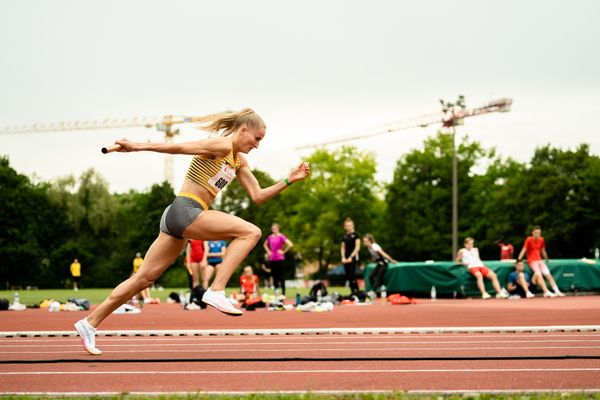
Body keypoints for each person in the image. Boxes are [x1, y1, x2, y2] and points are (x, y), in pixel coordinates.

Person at [75, 108, 311, 355]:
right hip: (186, 209)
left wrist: (289, 180)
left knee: (142, 280)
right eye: (257, 138)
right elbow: (179, 148)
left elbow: (258, 196)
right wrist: (136, 146)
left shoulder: (238, 160)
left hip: (178, 217)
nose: (257, 145)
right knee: (250, 232)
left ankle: (89, 323)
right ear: (243, 130)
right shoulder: (221, 145)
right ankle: (216, 290)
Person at [516, 226, 564, 297]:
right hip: (532, 261)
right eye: (535, 233)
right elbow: (524, 250)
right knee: (538, 274)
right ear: (532, 233)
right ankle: (546, 291)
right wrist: (518, 260)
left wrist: (547, 259)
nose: (537, 234)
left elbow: (543, 250)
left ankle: (557, 291)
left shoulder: (541, 239)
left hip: (540, 261)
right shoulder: (528, 239)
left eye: (538, 233)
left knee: (548, 275)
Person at [263, 223, 293, 296]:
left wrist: (283, 252)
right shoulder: (270, 237)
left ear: (278, 229)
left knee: (281, 276)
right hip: (272, 259)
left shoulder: (281, 236)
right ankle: (276, 293)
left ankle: (283, 293)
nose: (274, 230)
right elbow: (265, 244)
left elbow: (290, 244)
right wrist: (268, 252)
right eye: (272, 229)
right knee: (274, 276)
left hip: (279, 259)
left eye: (275, 228)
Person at [364, 234, 397, 299]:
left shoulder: (374, 246)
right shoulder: (369, 248)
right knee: (371, 277)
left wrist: (391, 260)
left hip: (384, 263)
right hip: (379, 263)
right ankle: (375, 291)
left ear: (369, 241)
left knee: (379, 277)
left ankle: (373, 291)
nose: (364, 243)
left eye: (366, 241)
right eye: (364, 241)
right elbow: (375, 257)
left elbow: (383, 253)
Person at [340, 217, 360, 293]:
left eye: (350, 225)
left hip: (353, 258)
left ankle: (357, 292)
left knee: (352, 275)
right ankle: (353, 292)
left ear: (353, 225)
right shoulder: (344, 236)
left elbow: (357, 247)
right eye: (347, 225)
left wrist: (351, 257)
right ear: (344, 227)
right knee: (348, 276)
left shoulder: (356, 235)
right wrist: (343, 257)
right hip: (346, 258)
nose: (349, 227)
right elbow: (342, 248)